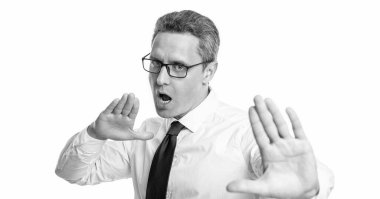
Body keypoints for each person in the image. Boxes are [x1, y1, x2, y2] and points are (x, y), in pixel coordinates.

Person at [55, 10, 334, 199]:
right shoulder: (143, 134)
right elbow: (72, 173)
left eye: (177, 66)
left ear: (209, 72)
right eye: (156, 63)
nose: (160, 79)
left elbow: (299, 175)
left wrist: (308, 186)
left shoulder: (243, 134)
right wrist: (95, 134)